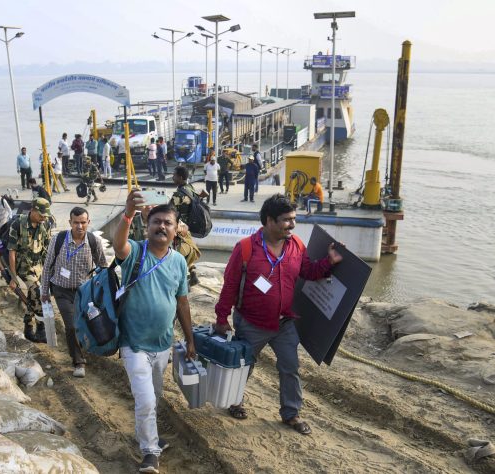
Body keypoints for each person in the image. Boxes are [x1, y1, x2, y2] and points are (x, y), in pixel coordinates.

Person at [213, 194, 342, 434]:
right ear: (269, 221)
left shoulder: (296, 245)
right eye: (286, 220)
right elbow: (229, 286)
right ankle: (235, 402)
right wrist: (221, 319)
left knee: (290, 367)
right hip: (251, 323)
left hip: (284, 323)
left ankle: (291, 414)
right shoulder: (245, 249)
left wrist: (329, 262)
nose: (292, 224)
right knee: (244, 366)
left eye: (294, 219)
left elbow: (308, 272)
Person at [113, 192, 195, 474]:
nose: (162, 226)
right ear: (147, 226)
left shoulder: (179, 262)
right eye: (156, 222)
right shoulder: (135, 252)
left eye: (167, 223)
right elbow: (118, 245)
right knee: (146, 400)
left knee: (154, 396)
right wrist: (128, 213)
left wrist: (190, 340)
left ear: (176, 228)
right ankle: (150, 452)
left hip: (163, 345)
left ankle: (146, 435)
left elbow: (182, 303)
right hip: (133, 344)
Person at [41, 207, 107, 378]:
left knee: (85, 323)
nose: (79, 226)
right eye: (76, 222)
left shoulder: (93, 241)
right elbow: (47, 266)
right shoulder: (58, 239)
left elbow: (102, 267)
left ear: (88, 222)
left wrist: (103, 291)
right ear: (70, 222)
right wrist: (44, 291)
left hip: (84, 293)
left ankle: (86, 348)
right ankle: (78, 361)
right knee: (71, 326)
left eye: (83, 222)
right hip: (61, 290)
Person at [7, 198, 53, 342]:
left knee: (34, 296)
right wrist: (13, 277)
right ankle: (41, 329)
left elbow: (48, 248)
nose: (43, 218)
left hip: (39, 265)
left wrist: (50, 270)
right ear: (32, 210)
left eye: (45, 215)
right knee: (38, 294)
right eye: (41, 215)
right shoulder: (18, 224)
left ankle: (28, 327)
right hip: (24, 267)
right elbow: (12, 252)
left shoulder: (45, 224)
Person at [170, 166, 205, 286]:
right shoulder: (190, 188)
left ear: (180, 177)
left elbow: (169, 211)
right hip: (188, 226)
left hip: (179, 228)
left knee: (177, 253)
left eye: (174, 175)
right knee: (186, 249)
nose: (172, 177)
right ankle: (193, 271)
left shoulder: (178, 194)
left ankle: (184, 281)